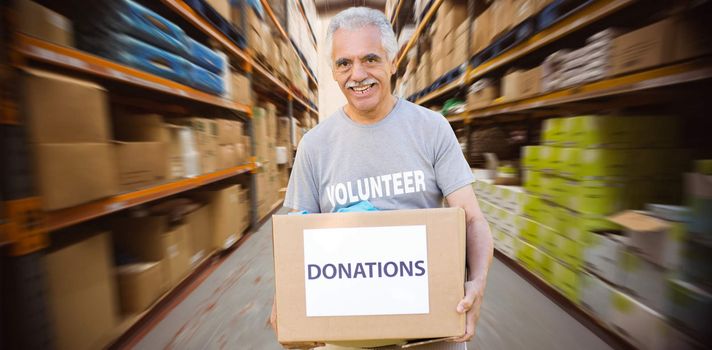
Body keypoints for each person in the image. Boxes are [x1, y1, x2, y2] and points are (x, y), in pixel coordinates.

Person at [270, 7, 493, 350]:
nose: (357, 74)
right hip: (350, 332)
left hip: (430, 330)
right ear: (333, 71)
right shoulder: (315, 146)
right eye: (344, 63)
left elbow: (473, 219)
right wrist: (288, 300)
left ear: (392, 63)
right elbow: (297, 242)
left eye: (370, 59)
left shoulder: (432, 130)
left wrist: (476, 284)